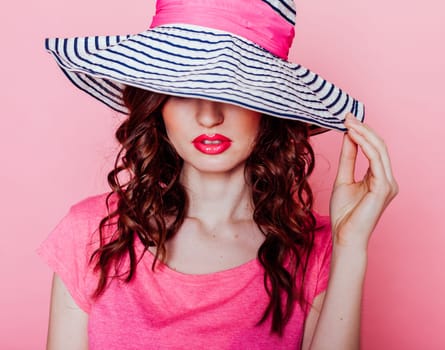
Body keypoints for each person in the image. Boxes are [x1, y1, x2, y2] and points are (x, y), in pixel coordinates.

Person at [38, 0, 398, 349]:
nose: (209, 116)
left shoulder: (316, 249)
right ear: (156, 102)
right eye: (183, 89)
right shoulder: (93, 233)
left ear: (269, 105)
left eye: (233, 90)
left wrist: (349, 247)